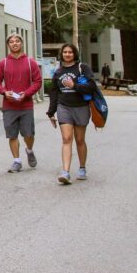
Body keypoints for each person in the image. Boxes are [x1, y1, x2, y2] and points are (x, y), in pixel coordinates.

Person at [0, 34, 43, 173]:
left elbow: (38, 81)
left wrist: (26, 93)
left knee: (28, 135)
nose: (14, 44)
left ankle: (29, 150)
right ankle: (17, 161)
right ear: (8, 45)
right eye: (11, 42)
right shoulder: (4, 63)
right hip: (9, 106)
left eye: (17, 41)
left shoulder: (30, 62)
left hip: (26, 105)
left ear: (22, 43)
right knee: (12, 135)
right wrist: (3, 91)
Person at [47, 44, 93, 184]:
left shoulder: (82, 68)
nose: (67, 54)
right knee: (67, 139)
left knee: (79, 139)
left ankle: (82, 168)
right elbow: (54, 93)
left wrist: (74, 86)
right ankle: (65, 172)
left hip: (81, 107)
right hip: (64, 107)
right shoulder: (58, 71)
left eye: (70, 52)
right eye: (65, 52)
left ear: (74, 54)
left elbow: (91, 86)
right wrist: (51, 112)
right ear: (62, 54)